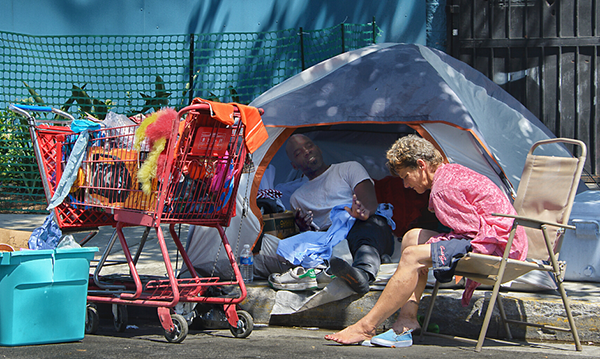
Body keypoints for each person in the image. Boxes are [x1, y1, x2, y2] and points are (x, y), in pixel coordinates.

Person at [324, 134, 528, 347]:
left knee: (414, 255)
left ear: (421, 165)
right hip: (500, 238)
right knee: (412, 237)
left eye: (406, 176)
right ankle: (407, 321)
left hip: (498, 246)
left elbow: (471, 233)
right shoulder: (449, 174)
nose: (405, 185)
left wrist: (433, 246)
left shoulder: (443, 188)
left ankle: (365, 327)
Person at [256, 134, 395, 294]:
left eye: (309, 146)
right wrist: (303, 228)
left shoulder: (349, 168)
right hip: (334, 240)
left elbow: (369, 202)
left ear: (319, 149)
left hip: (365, 225)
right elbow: (314, 238)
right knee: (292, 245)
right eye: (298, 153)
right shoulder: (297, 197)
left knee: (366, 227)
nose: (306, 151)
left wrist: (362, 212)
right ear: (294, 166)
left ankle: (363, 274)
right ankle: (370, 259)